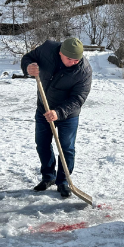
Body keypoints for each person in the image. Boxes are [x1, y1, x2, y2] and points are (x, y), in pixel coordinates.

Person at [21, 38, 92, 197]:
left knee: (66, 147)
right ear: (60, 52)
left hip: (68, 114)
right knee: (42, 144)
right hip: (43, 109)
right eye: (69, 59)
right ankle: (48, 177)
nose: (73, 62)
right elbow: (28, 58)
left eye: (77, 59)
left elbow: (78, 99)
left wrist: (58, 113)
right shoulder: (47, 49)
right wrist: (28, 67)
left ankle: (63, 181)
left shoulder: (84, 71)